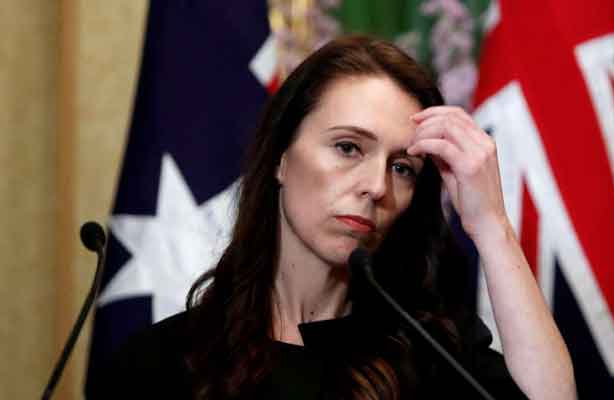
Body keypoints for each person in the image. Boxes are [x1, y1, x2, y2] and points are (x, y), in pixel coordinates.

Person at [102, 35, 576, 399]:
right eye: (348, 147)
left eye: (402, 168)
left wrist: (492, 226)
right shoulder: (159, 364)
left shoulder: (432, 353)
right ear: (281, 157)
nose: (377, 186)